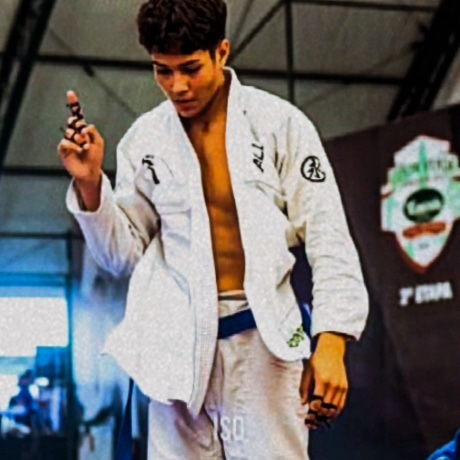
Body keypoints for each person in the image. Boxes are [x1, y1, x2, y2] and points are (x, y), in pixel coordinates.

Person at [58, 0, 369, 458]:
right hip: (174, 343)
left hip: (262, 339)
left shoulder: (279, 125)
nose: (177, 86)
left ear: (221, 52)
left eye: (190, 68)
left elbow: (329, 236)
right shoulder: (145, 140)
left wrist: (332, 342)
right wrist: (90, 185)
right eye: (162, 71)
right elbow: (121, 256)